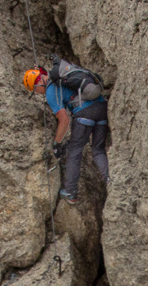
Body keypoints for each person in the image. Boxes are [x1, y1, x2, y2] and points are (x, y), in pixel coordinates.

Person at [25, 61, 108, 203]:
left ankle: (71, 192)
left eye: (34, 90)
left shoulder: (51, 91)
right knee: (98, 150)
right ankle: (110, 181)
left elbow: (64, 121)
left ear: (37, 85)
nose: (37, 93)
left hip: (84, 114)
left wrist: (57, 143)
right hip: (101, 108)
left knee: (74, 152)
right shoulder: (64, 78)